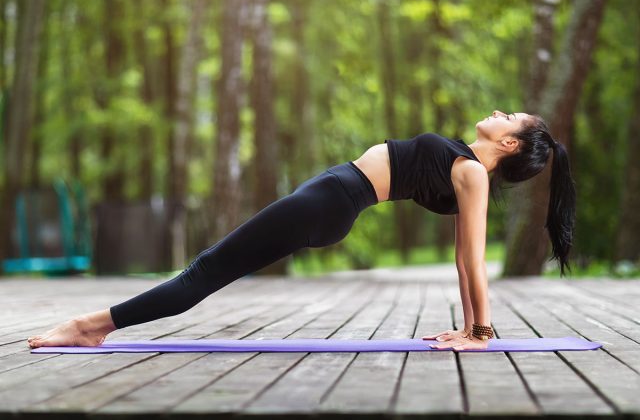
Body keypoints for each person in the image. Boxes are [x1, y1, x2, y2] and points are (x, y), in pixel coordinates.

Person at [27, 110, 576, 351]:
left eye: (512, 118)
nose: (501, 112)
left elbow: (469, 261)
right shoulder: (465, 164)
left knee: (203, 272)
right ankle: (94, 325)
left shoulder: (472, 174)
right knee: (206, 268)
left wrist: (478, 334)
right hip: (328, 196)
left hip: (331, 201)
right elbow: (465, 260)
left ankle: (90, 325)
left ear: (508, 145)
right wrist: (472, 329)